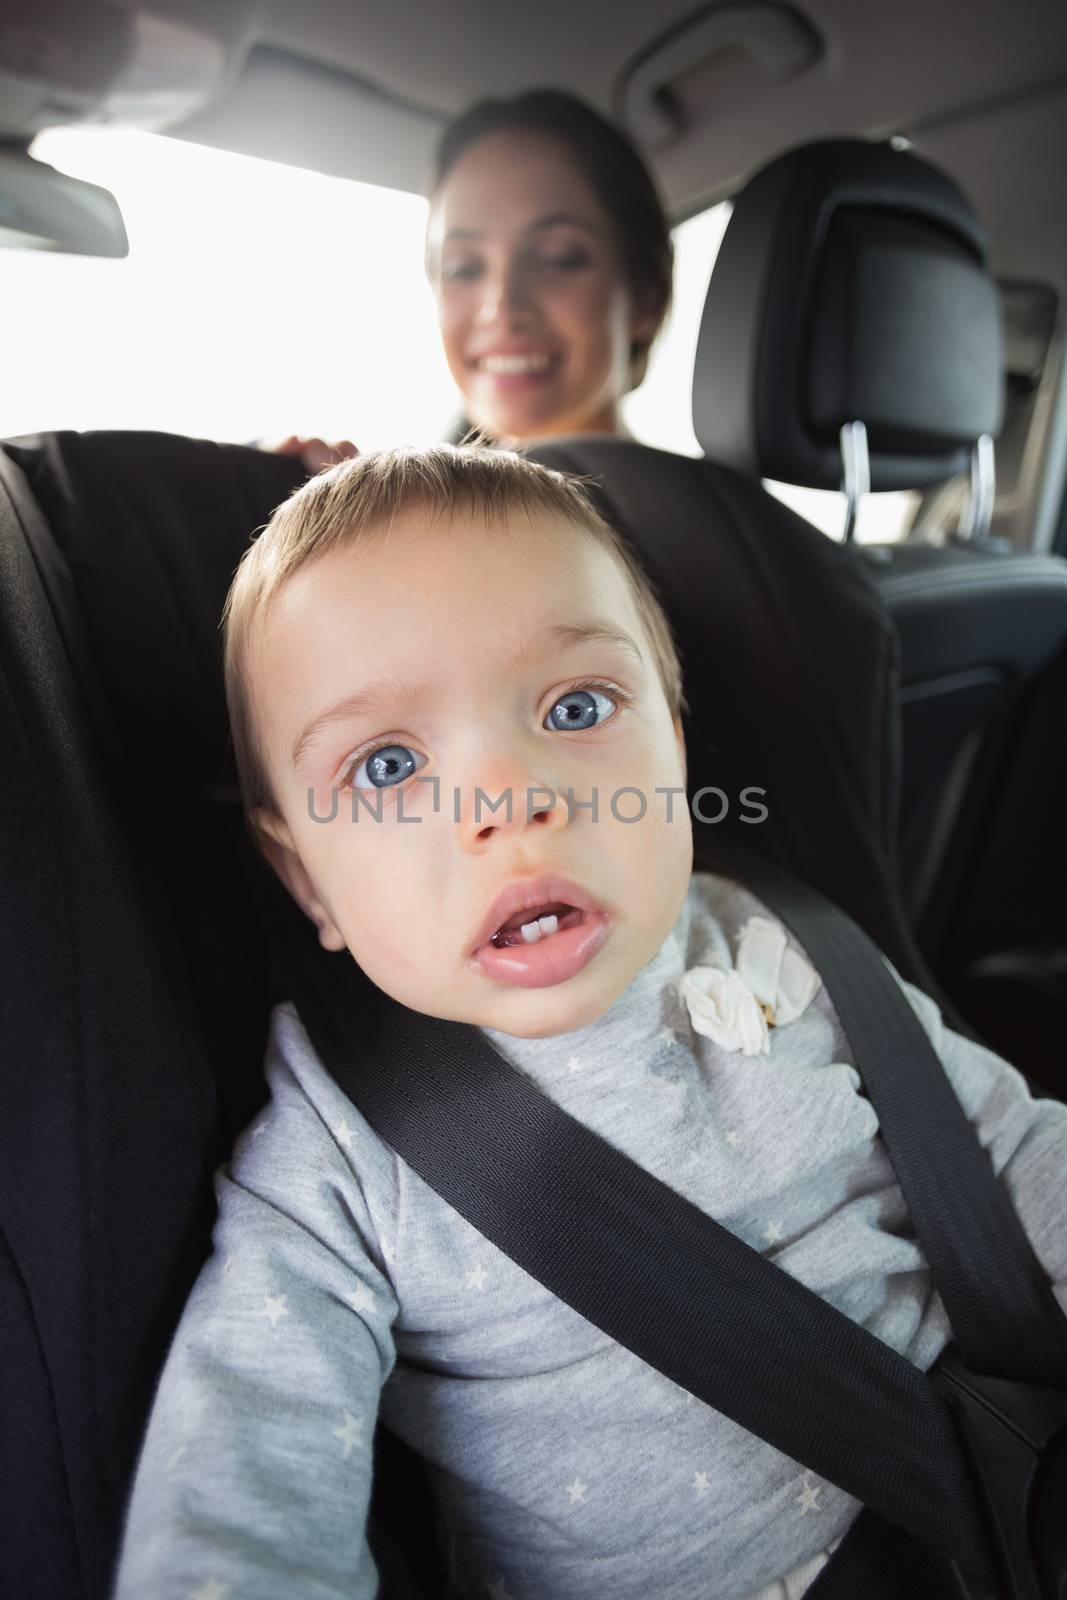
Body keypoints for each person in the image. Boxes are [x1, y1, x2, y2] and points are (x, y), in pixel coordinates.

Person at [111, 446, 1067, 1600]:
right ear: (305, 881)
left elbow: (1011, 1152)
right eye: (388, 764)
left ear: (671, 739)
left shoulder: (782, 943)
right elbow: (245, 1473)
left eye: (574, 707)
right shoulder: (340, 1153)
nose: (510, 800)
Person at [275, 89, 673, 468]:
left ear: (645, 298)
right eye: (463, 268)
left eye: (558, 259)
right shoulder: (414, 513)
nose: (500, 305)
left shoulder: (709, 530)